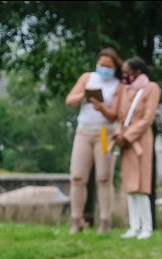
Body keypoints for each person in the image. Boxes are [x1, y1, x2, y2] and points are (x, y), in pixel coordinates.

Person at [65, 47, 122, 235]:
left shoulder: (118, 85)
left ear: (115, 67)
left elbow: (114, 115)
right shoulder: (87, 78)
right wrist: (85, 95)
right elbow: (70, 100)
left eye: (108, 65)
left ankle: (105, 221)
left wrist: (101, 108)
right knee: (77, 177)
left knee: (104, 178)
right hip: (83, 132)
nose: (104, 68)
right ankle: (76, 220)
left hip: (105, 133)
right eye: (101, 64)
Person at [111, 57, 161, 240]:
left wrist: (128, 135)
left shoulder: (151, 89)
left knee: (141, 186)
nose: (124, 76)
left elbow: (147, 119)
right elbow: (121, 117)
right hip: (126, 143)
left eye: (127, 72)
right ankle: (134, 226)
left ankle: (146, 227)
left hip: (141, 141)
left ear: (137, 71)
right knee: (130, 186)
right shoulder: (125, 90)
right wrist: (118, 135)